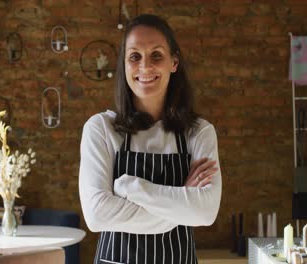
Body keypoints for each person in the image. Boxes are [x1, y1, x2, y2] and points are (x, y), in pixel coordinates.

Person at [79, 14, 222, 264]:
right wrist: (181, 201)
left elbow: (205, 212)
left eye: (156, 55)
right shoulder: (100, 129)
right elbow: (97, 216)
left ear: (174, 62)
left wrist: (131, 188)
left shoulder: (198, 132)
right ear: (124, 65)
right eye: (134, 56)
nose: (145, 67)